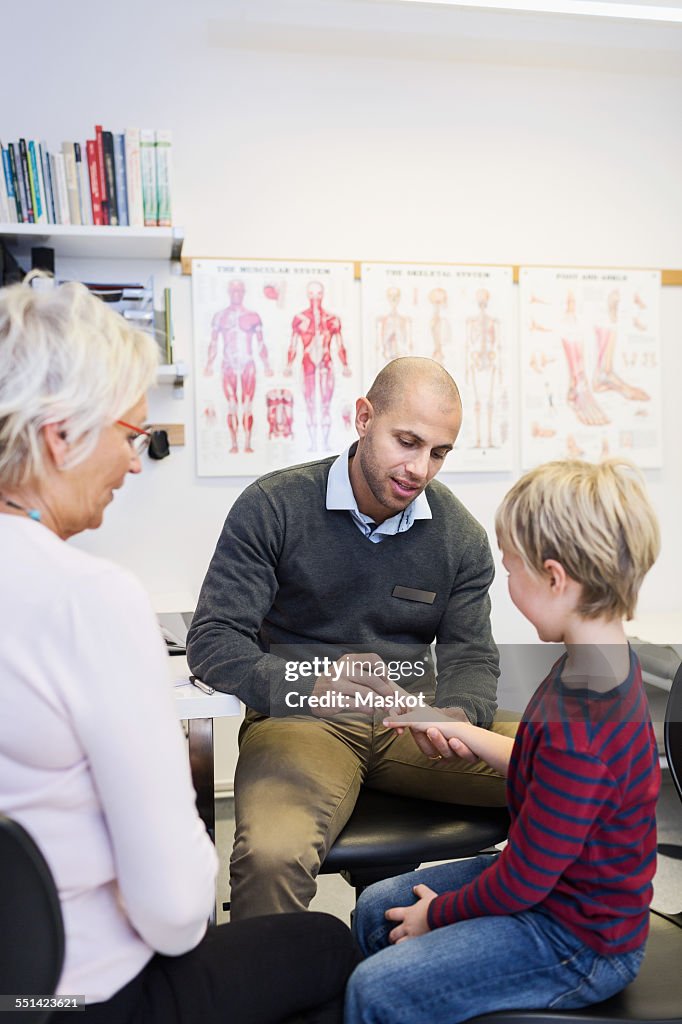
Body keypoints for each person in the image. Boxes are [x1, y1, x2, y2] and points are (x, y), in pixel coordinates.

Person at [0, 279, 358, 1024]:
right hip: (70, 995)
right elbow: (176, 912)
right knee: (329, 946)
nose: (136, 463)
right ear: (61, 434)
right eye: (131, 434)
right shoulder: (88, 598)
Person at [187, 356, 517, 921]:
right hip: (300, 720)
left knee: (589, 774)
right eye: (407, 441)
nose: (420, 469)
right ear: (364, 417)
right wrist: (308, 685)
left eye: (438, 452)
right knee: (270, 856)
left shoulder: (459, 537)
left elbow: (471, 655)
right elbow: (216, 638)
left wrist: (457, 713)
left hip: (413, 719)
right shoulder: (275, 506)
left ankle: (505, 955)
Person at [345, 458, 661, 1024]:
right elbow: (542, 766)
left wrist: (437, 916)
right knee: (377, 908)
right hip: (552, 893)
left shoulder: (586, 720)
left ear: (555, 577)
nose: (507, 584)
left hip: (578, 941)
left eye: (511, 569)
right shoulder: (593, 664)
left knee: (377, 989)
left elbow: (522, 880)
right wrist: (458, 727)